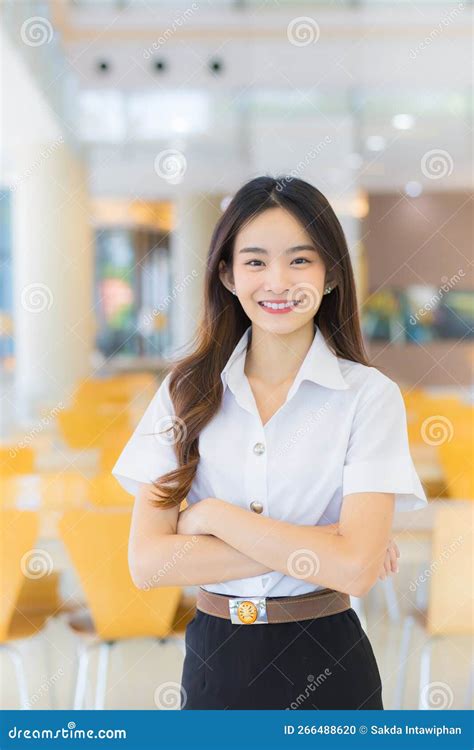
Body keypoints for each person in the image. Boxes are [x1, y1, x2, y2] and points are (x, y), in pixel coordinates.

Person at [112, 175, 428, 710]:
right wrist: (320, 545)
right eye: (256, 261)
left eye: (300, 260)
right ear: (228, 276)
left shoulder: (369, 397)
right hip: (217, 657)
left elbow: (353, 571)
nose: (278, 281)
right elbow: (149, 564)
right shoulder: (184, 392)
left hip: (328, 660)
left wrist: (211, 516)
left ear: (330, 275)